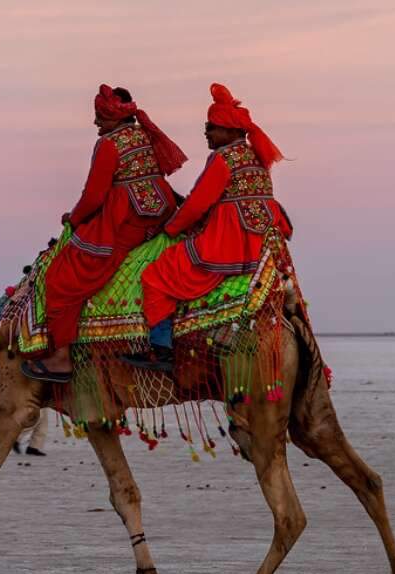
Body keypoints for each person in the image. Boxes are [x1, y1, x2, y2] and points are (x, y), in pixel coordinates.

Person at [22, 85, 187, 383]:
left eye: (100, 115)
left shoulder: (109, 144)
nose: (96, 122)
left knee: (62, 276)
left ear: (113, 116)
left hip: (129, 220)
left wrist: (74, 219)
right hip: (159, 213)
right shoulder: (142, 134)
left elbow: (94, 195)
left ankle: (60, 357)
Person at [123, 83, 293, 370]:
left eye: (211, 127)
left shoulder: (223, 158)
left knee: (155, 275)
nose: (206, 133)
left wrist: (170, 229)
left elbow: (197, 204)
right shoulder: (256, 157)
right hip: (260, 242)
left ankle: (161, 348)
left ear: (229, 130)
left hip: (228, 244)